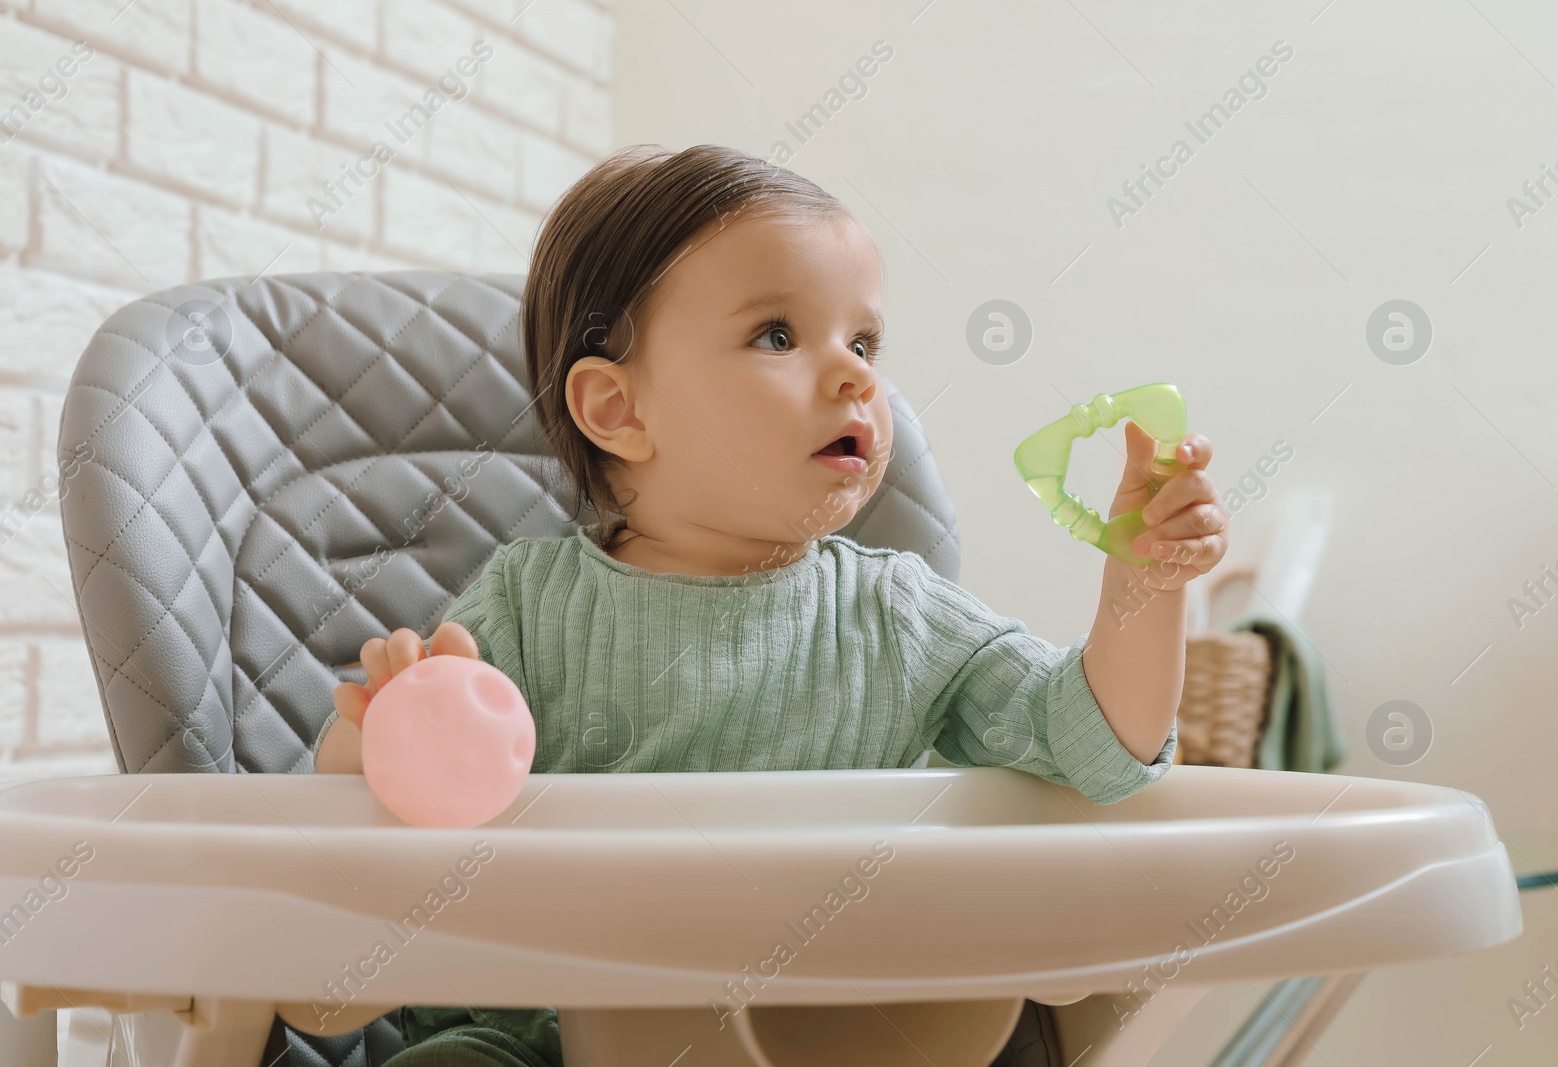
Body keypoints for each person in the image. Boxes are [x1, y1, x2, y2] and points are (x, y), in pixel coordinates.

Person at [313, 143, 1229, 1067]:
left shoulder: (899, 614)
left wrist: (1144, 587)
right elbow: (366, 866)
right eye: (778, 336)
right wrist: (386, 740)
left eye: (864, 343)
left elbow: (1095, 749)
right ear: (618, 410)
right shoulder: (524, 604)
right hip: (536, 1033)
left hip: (819, 1032)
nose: (856, 377)